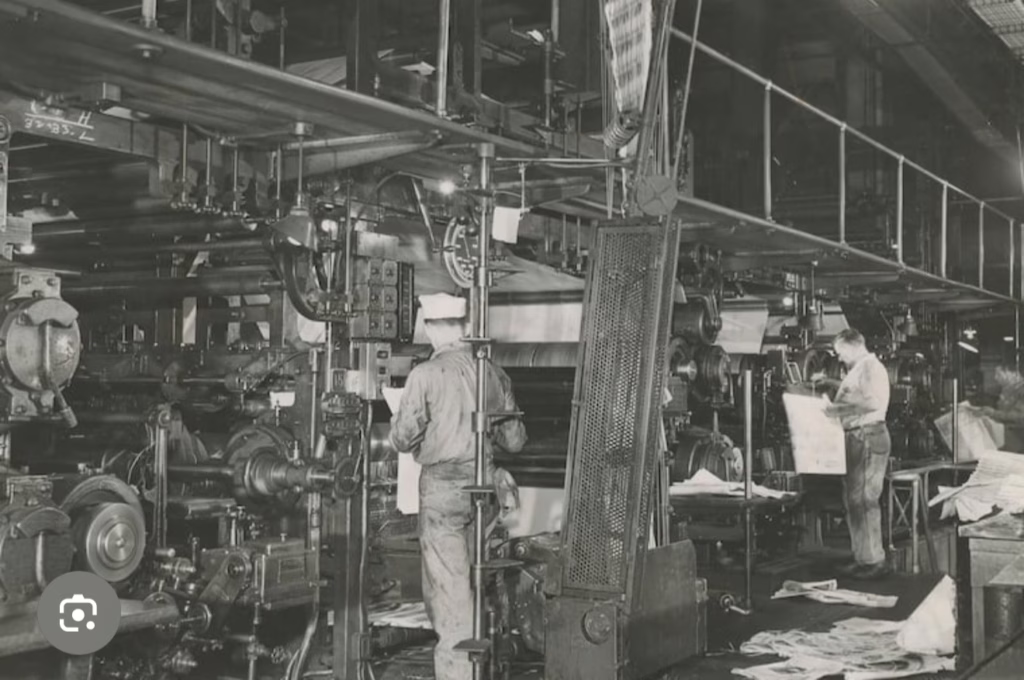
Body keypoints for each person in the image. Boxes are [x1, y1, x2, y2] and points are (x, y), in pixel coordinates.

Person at [389, 292, 527, 680]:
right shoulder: (492, 374)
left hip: (444, 493)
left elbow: (402, 439)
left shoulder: (426, 375)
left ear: (430, 328)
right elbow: (515, 441)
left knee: (451, 604)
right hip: (484, 491)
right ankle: (489, 666)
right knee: (479, 583)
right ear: (465, 328)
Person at [811, 328, 892, 580]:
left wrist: (837, 411)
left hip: (867, 435)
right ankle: (863, 558)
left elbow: (872, 403)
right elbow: (860, 392)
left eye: (840, 352)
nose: (839, 358)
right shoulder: (860, 369)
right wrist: (831, 384)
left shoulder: (870, 367)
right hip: (859, 437)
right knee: (854, 502)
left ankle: (874, 562)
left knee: (864, 501)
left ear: (854, 345)